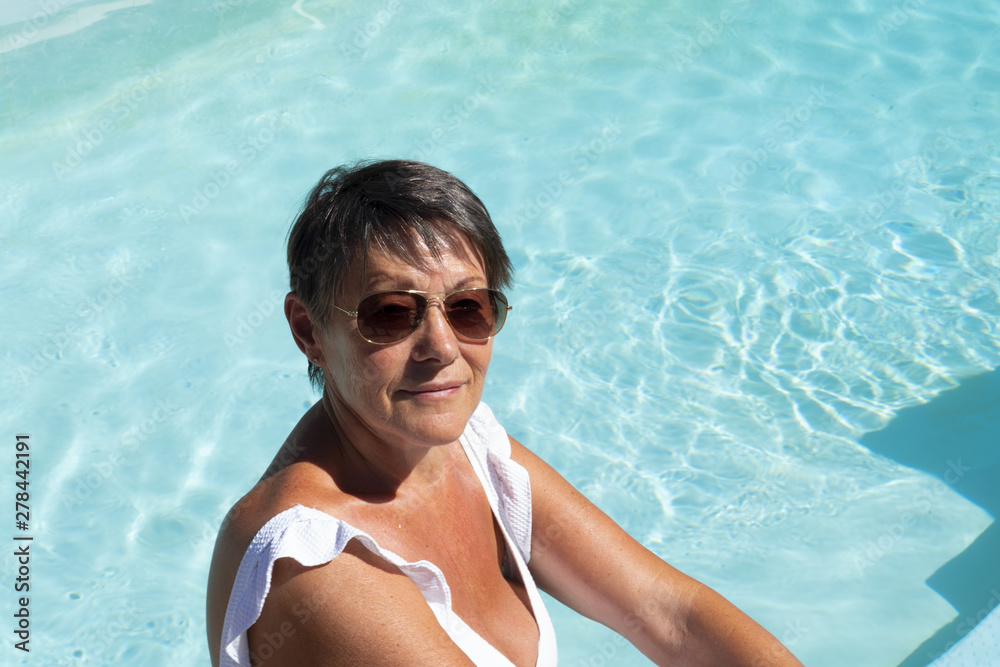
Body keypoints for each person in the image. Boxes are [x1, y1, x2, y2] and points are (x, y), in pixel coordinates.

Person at [205, 159, 803, 667]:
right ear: (308, 330)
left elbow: (667, 613)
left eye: (468, 307)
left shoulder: (467, 450)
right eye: (390, 312)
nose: (441, 346)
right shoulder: (313, 561)